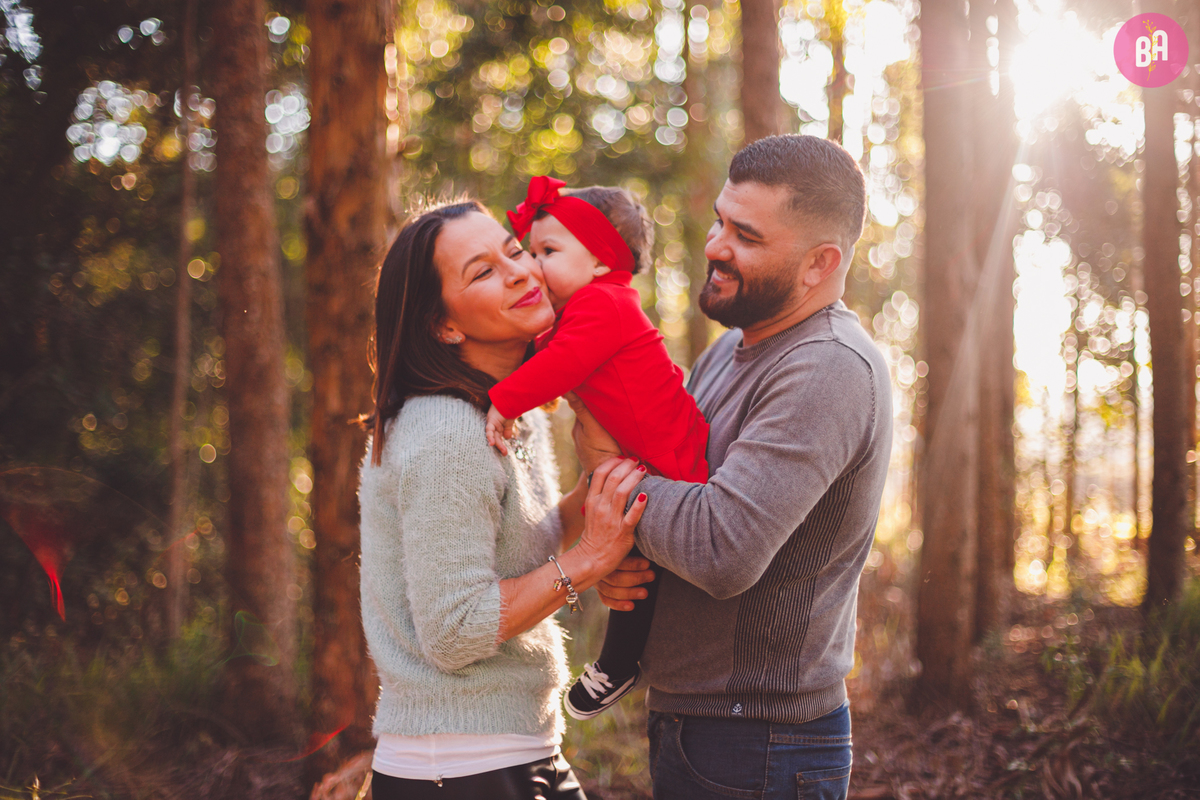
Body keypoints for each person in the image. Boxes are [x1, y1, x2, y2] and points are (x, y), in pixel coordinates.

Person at [575, 135, 893, 800]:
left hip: (760, 744)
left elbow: (721, 546)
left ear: (819, 264)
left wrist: (610, 482)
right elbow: (674, 496)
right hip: (702, 725)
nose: (715, 245)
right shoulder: (729, 351)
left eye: (745, 235)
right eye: (720, 220)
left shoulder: (827, 367)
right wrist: (623, 562)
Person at [357, 199, 649, 800]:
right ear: (444, 325)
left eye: (514, 251)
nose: (520, 271)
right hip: (456, 768)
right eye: (482, 271)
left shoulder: (507, 410)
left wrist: (597, 492)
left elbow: (520, 539)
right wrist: (590, 560)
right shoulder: (444, 432)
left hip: (520, 751)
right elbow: (456, 630)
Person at [483, 177, 709, 720]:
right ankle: (626, 660)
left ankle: (621, 660)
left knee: (631, 556)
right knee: (631, 563)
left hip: (668, 464)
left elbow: (556, 365)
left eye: (548, 252)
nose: (533, 266)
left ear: (603, 263)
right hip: (643, 461)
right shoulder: (588, 306)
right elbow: (541, 350)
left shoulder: (603, 305)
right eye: (531, 251)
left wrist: (501, 402)